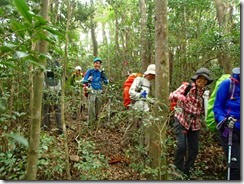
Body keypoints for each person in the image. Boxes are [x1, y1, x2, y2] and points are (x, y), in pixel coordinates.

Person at [169, 67, 213, 175]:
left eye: (204, 80)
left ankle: (187, 171)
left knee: (194, 149)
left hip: (195, 123)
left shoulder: (205, 94)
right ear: (196, 78)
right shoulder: (187, 87)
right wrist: (179, 96)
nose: (201, 81)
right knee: (181, 146)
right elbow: (171, 95)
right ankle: (177, 168)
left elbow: (207, 109)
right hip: (182, 119)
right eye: (200, 78)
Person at [121, 64, 156, 151]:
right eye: (153, 75)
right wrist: (140, 95)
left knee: (148, 127)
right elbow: (131, 93)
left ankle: (146, 149)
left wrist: (152, 101)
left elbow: (146, 97)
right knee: (132, 126)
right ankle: (124, 144)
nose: (154, 77)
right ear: (149, 74)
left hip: (145, 108)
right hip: (135, 107)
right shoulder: (138, 79)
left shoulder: (149, 83)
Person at [213, 67, 240, 180]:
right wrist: (224, 120)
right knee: (236, 167)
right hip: (228, 129)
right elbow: (217, 107)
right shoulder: (227, 84)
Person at [82, 57, 109, 126]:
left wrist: (104, 77)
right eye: (96, 63)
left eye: (99, 63)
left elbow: (106, 82)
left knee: (98, 107)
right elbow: (84, 81)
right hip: (92, 91)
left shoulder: (101, 72)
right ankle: (90, 124)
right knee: (91, 108)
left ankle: (96, 122)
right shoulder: (90, 71)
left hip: (99, 91)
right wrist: (88, 80)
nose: (98, 65)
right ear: (94, 64)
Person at [42, 60, 63, 135]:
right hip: (49, 90)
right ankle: (46, 126)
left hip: (54, 90)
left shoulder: (56, 64)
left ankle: (58, 127)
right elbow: (44, 79)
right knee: (46, 109)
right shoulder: (46, 64)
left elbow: (59, 79)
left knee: (55, 109)